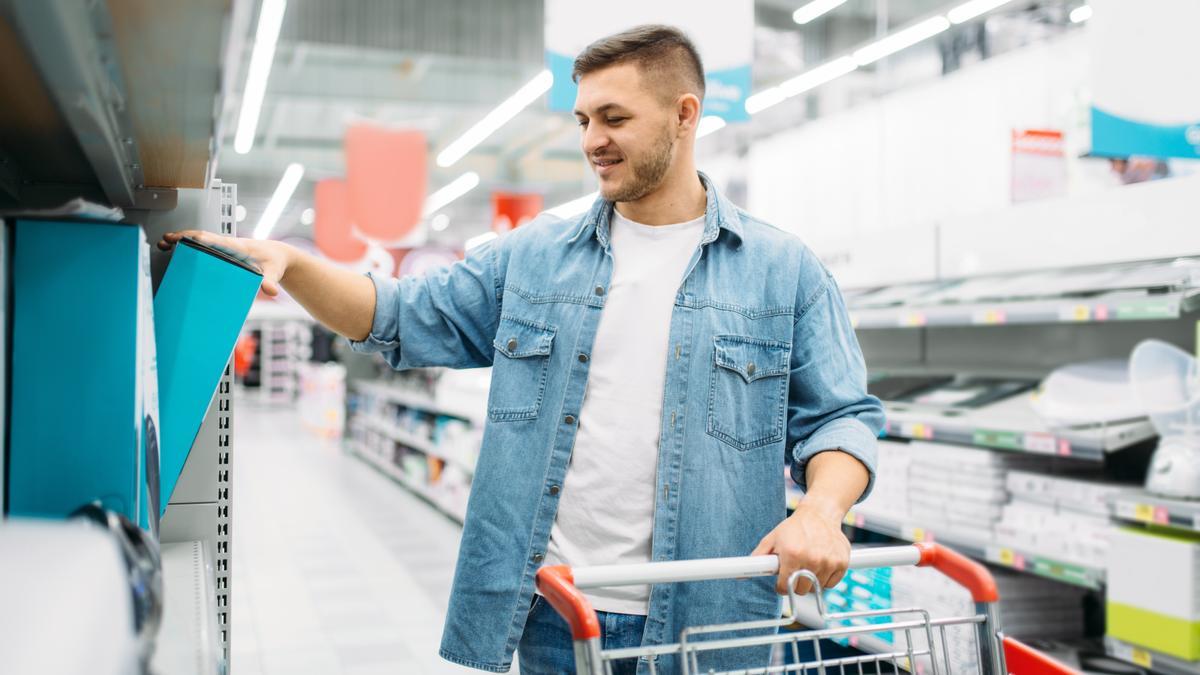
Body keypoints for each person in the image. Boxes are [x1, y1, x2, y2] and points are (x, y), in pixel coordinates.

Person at [160, 24, 884, 675]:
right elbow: (404, 314)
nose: (591, 138)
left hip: (707, 621)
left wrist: (821, 510)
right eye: (583, 119)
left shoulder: (782, 270)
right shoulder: (534, 257)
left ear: (685, 114)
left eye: (615, 117)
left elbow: (842, 418)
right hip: (556, 612)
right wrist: (291, 263)